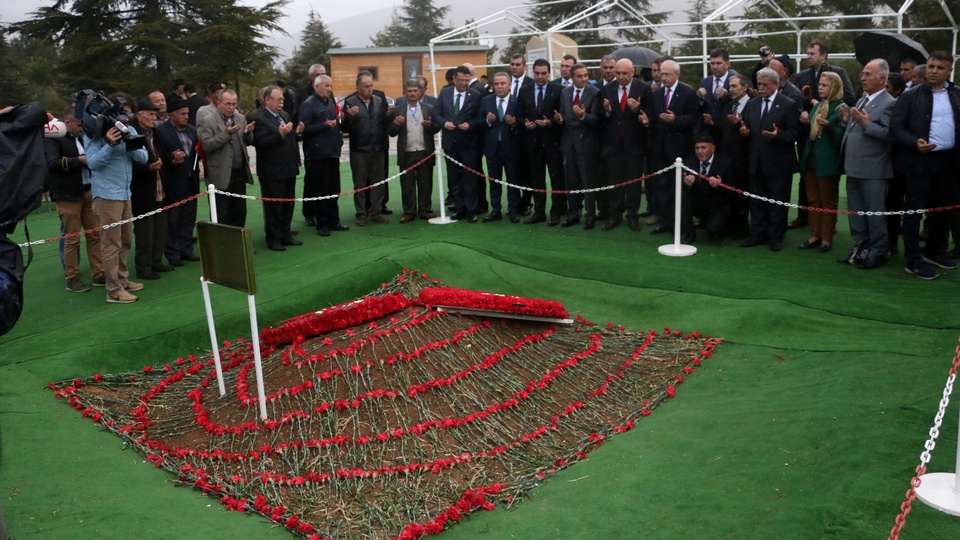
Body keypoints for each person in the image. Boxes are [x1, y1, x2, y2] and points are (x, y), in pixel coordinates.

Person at [890, 51, 960, 280]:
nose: (934, 71)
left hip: (948, 162)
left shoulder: (957, 95)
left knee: (944, 210)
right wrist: (915, 143)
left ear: (949, 70)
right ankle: (913, 261)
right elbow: (896, 128)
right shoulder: (909, 96)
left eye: (940, 67)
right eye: (931, 66)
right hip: (918, 161)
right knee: (913, 213)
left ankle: (935, 252)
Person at [85, 106, 149, 303]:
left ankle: (122, 280)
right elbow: (92, 163)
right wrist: (109, 144)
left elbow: (144, 157)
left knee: (125, 240)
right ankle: (113, 290)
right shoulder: (94, 134)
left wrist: (130, 140)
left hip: (125, 192)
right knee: (111, 244)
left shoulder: (128, 128)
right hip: (106, 195)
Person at [837, 59, 896, 269]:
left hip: (874, 170)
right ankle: (860, 248)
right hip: (853, 166)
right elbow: (857, 130)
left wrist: (865, 123)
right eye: (862, 74)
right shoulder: (863, 99)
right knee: (856, 211)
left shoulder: (890, 103)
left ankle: (879, 251)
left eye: (868, 74)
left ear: (882, 78)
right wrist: (847, 121)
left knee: (874, 213)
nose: (863, 78)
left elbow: (890, 135)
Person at [738, 67, 801, 252]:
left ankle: (776, 237)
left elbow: (794, 134)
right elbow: (748, 127)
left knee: (777, 203)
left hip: (779, 164)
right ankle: (758, 234)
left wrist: (778, 134)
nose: (761, 87)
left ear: (775, 84)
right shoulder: (752, 104)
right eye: (759, 84)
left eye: (765, 84)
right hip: (756, 162)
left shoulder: (788, 104)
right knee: (756, 201)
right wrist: (745, 131)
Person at [43, 110, 103, 292]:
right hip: (67, 194)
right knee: (72, 239)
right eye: (78, 124)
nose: (81, 127)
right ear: (67, 122)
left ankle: (99, 273)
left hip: (88, 191)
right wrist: (80, 160)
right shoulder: (52, 137)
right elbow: (52, 164)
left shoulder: (84, 137)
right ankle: (72, 277)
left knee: (94, 235)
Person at [641, 59, 700, 237]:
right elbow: (653, 118)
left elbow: (693, 118)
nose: (663, 77)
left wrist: (676, 120)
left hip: (680, 150)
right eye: (661, 73)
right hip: (660, 149)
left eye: (667, 74)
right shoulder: (657, 94)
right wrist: (647, 121)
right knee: (663, 187)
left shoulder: (688, 92)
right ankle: (665, 221)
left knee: (680, 190)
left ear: (677, 74)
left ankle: (681, 225)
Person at [797, 72, 846, 253]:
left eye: (825, 85)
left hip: (827, 162)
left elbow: (842, 138)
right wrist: (805, 120)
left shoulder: (841, 107)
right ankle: (814, 235)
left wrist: (829, 127)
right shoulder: (818, 106)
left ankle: (827, 238)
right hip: (810, 160)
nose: (820, 88)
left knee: (828, 202)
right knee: (813, 200)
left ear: (834, 87)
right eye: (820, 85)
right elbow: (810, 127)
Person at [600, 58, 651, 232]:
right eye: (618, 73)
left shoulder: (642, 88)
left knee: (633, 183)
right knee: (614, 182)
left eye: (624, 73)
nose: (620, 77)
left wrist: (638, 110)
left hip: (634, 144)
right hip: (614, 144)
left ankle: (632, 216)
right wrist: (606, 112)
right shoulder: (607, 89)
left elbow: (650, 113)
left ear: (632, 73)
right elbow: (603, 117)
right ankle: (615, 216)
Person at [515, 58, 566, 226]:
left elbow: (561, 116)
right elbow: (519, 114)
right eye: (537, 73)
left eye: (544, 73)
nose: (540, 76)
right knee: (537, 180)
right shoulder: (524, 90)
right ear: (533, 72)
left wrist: (551, 122)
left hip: (552, 142)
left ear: (549, 73)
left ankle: (556, 212)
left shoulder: (559, 90)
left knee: (556, 178)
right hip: (532, 143)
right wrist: (525, 123)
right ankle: (539, 212)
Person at [253, 85, 304, 251]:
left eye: (283, 98)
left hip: (288, 167)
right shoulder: (259, 117)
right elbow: (260, 142)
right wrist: (279, 134)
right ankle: (273, 238)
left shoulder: (285, 115)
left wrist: (296, 132)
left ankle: (286, 233)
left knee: (288, 204)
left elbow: (289, 140)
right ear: (267, 100)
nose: (282, 102)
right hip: (272, 171)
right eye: (279, 99)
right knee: (274, 206)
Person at [196, 88, 255, 228]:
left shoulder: (240, 118)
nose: (231, 107)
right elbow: (206, 145)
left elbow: (248, 142)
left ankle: (238, 245)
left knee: (239, 210)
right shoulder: (208, 121)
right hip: (220, 173)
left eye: (234, 104)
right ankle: (222, 247)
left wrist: (247, 133)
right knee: (221, 212)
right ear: (218, 103)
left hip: (239, 170)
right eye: (227, 103)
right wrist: (226, 134)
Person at [300, 74, 349, 237]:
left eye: (330, 86)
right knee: (320, 190)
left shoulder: (330, 103)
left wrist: (338, 119)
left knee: (334, 189)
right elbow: (304, 129)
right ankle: (322, 224)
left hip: (333, 153)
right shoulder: (308, 105)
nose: (329, 89)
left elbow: (335, 123)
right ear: (316, 86)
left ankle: (333, 220)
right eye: (326, 86)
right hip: (317, 155)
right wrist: (323, 125)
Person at [703, 74, 751, 237]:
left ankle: (742, 228)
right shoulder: (728, 106)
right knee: (728, 192)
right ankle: (729, 224)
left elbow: (753, 132)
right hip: (727, 159)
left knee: (743, 195)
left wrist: (740, 126)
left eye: (734, 86)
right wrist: (711, 124)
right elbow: (722, 131)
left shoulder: (753, 105)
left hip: (745, 158)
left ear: (745, 87)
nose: (731, 89)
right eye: (730, 86)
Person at [153, 98, 200, 266]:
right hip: (172, 181)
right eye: (182, 114)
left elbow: (197, 152)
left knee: (188, 217)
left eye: (187, 113)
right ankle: (172, 253)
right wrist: (172, 159)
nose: (186, 117)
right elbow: (158, 154)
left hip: (191, 179)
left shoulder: (192, 131)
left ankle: (186, 249)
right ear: (171, 115)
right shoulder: (161, 131)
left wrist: (198, 152)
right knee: (173, 219)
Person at [555, 63, 601, 229]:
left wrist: (583, 116)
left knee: (587, 182)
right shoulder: (565, 92)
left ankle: (590, 215)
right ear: (572, 78)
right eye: (580, 76)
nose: (584, 79)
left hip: (586, 144)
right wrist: (559, 119)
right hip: (568, 144)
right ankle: (573, 213)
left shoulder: (594, 93)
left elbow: (596, 119)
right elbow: (562, 114)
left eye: (586, 75)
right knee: (570, 182)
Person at [341, 73, 391, 227]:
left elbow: (382, 123)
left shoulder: (378, 100)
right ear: (358, 88)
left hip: (378, 148)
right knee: (360, 183)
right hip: (359, 149)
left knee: (378, 183)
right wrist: (349, 117)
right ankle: (361, 214)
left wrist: (390, 116)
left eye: (371, 86)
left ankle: (376, 212)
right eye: (366, 86)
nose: (370, 89)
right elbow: (343, 127)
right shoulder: (350, 102)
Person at [434, 65, 482, 222]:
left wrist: (470, 125)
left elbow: (478, 118)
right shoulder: (445, 92)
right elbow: (436, 113)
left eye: (466, 81)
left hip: (468, 144)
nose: (463, 83)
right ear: (454, 79)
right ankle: (460, 207)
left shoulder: (475, 95)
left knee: (470, 179)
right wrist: (444, 123)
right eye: (460, 80)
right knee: (454, 178)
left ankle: (471, 210)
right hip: (450, 142)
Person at [389, 78, 439, 224]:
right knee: (407, 184)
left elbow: (436, 128)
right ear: (405, 92)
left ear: (420, 92)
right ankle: (409, 212)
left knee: (425, 183)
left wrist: (429, 125)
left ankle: (425, 210)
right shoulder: (398, 110)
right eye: (409, 91)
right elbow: (391, 132)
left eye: (415, 91)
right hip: (407, 152)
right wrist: (396, 124)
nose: (412, 93)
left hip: (425, 151)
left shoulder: (429, 108)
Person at [129, 100, 168, 281]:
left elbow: (164, 153)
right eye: (151, 114)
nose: (154, 118)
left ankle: (156, 260)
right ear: (139, 115)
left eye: (155, 114)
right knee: (145, 232)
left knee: (160, 229)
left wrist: (172, 158)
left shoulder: (156, 133)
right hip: (141, 190)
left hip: (160, 187)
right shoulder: (131, 134)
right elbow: (128, 163)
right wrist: (148, 168)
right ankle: (143, 267)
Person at [478, 72, 522, 223]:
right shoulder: (486, 101)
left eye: (503, 83)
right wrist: (488, 121)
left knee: (513, 180)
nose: (499, 86)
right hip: (492, 147)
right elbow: (479, 122)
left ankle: (514, 210)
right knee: (494, 181)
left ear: (509, 85)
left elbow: (522, 124)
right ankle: (495, 209)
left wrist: (513, 124)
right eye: (496, 84)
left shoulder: (517, 101)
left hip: (511, 147)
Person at [681, 132, 732, 243]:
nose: (699, 151)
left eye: (703, 147)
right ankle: (689, 234)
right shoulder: (688, 163)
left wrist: (719, 186)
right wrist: (686, 185)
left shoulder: (725, 163)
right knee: (682, 198)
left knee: (715, 230)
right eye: (697, 148)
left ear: (712, 148)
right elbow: (681, 189)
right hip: (698, 204)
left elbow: (733, 192)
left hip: (716, 205)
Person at [795, 42, 856, 108]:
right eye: (808, 54)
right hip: (809, 116)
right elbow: (797, 100)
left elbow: (849, 97)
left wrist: (824, 106)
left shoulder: (838, 73)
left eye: (812, 54)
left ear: (823, 56)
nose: (809, 57)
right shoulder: (801, 76)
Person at [698, 48, 736, 126]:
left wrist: (726, 97)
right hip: (708, 129)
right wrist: (699, 98)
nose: (715, 67)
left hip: (728, 129)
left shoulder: (735, 81)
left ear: (728, 64)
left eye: (718, 63)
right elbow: (701, 107)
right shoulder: (704, 82)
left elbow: (740, 104)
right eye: (712, 63)